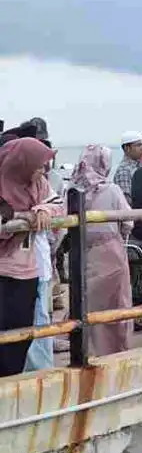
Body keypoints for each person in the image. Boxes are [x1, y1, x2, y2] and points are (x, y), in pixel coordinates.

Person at [0, 138, 61, 375]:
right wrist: (21, 217)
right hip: (3, 270)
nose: (42, 170)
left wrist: (42, 209)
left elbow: (57, 203)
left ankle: (11, 380)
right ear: (21, 164)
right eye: (37, 165)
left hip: (27, 270)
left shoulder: (39, 185)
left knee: (22, 332)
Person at [70, 145, 133, 356]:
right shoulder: (111, 189)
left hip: (82, 253)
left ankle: (85, 349)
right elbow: (128, 221)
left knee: (86, 302)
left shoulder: (72, 188)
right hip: (110, 251)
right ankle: (114, 349)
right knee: (115, 303)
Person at [113, 131, 142, 205]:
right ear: (127, 148)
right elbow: (126, 201)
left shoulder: (140, 166)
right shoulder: (124, 170)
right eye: (138, 145)